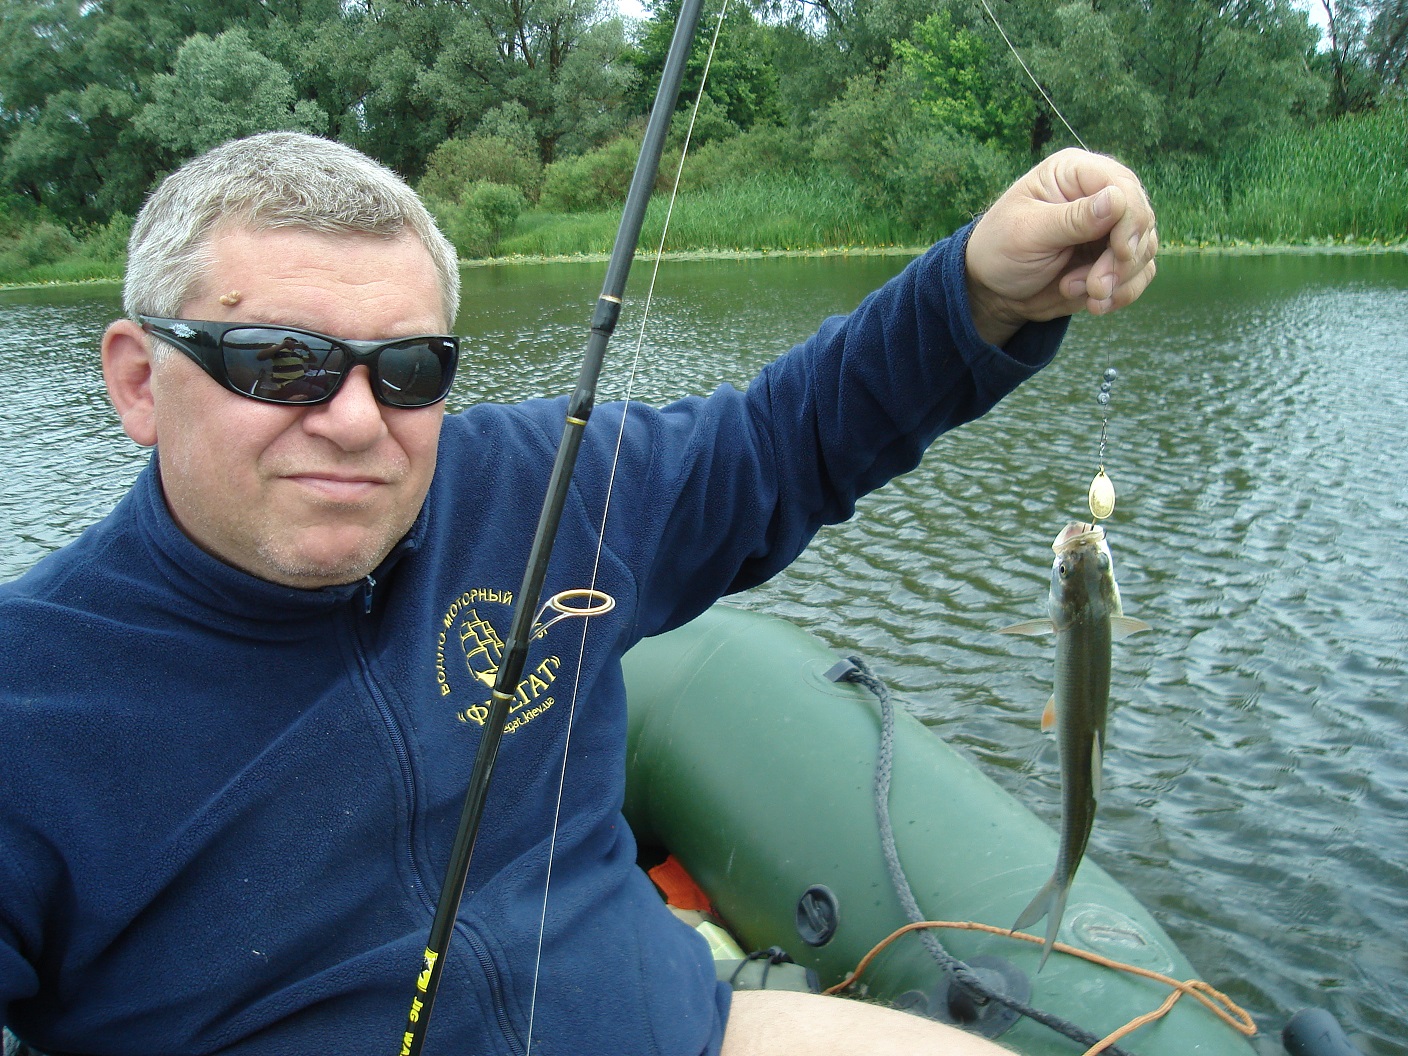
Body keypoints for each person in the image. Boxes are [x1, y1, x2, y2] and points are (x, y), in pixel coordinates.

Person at [0, 131, 1157, 1056]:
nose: (354, 421)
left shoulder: (532, 491)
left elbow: (786, 440)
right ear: (140, 381)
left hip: (677, 1029)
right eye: (281, 363)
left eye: (408, 370)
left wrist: (983, 291)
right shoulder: (29, 705)